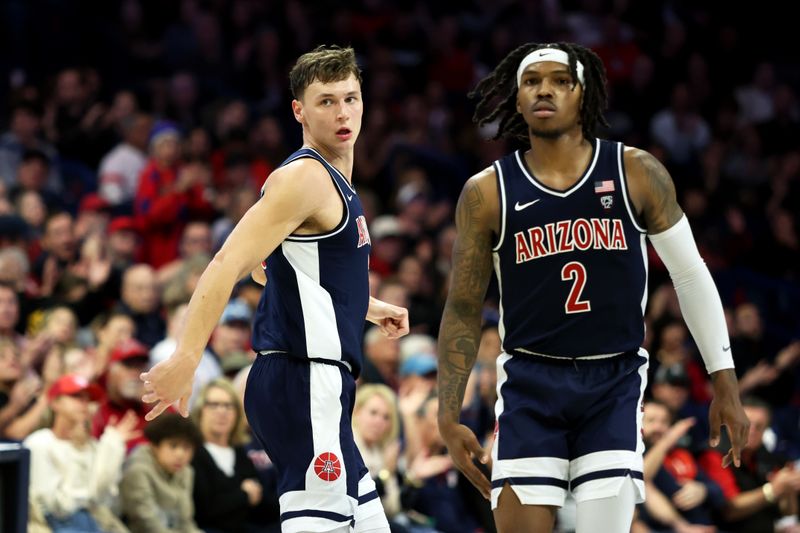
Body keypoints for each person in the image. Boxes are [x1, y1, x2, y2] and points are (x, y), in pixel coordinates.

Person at [436, 42, 749, 533]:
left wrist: (724, 378)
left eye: (561, 81)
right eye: (532, 81)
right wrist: (447, 414)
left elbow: (690, 275)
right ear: (517, 100)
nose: (545, 90)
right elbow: (462, 307)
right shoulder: (488, 191)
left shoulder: (636, 172)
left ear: (584, 95)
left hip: (613, 384)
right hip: (529, 386)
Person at [141, 45, 409, 533]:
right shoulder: (304, 177)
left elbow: (273, 271)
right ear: (299, 111)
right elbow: (227, 264)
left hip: (319, 381)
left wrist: (365, 307)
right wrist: (186, 358)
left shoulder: (336, 180)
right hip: (301, 378)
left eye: (351, 98)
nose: (342, 112)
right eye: (326, 101)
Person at [120, 412, 204, 533]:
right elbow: (146, 523)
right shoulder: (137, 470)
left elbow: (186, 521)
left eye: (186, 447)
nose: (180, 454)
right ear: (155, 445)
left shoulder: (186, 472)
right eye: (173, 446)